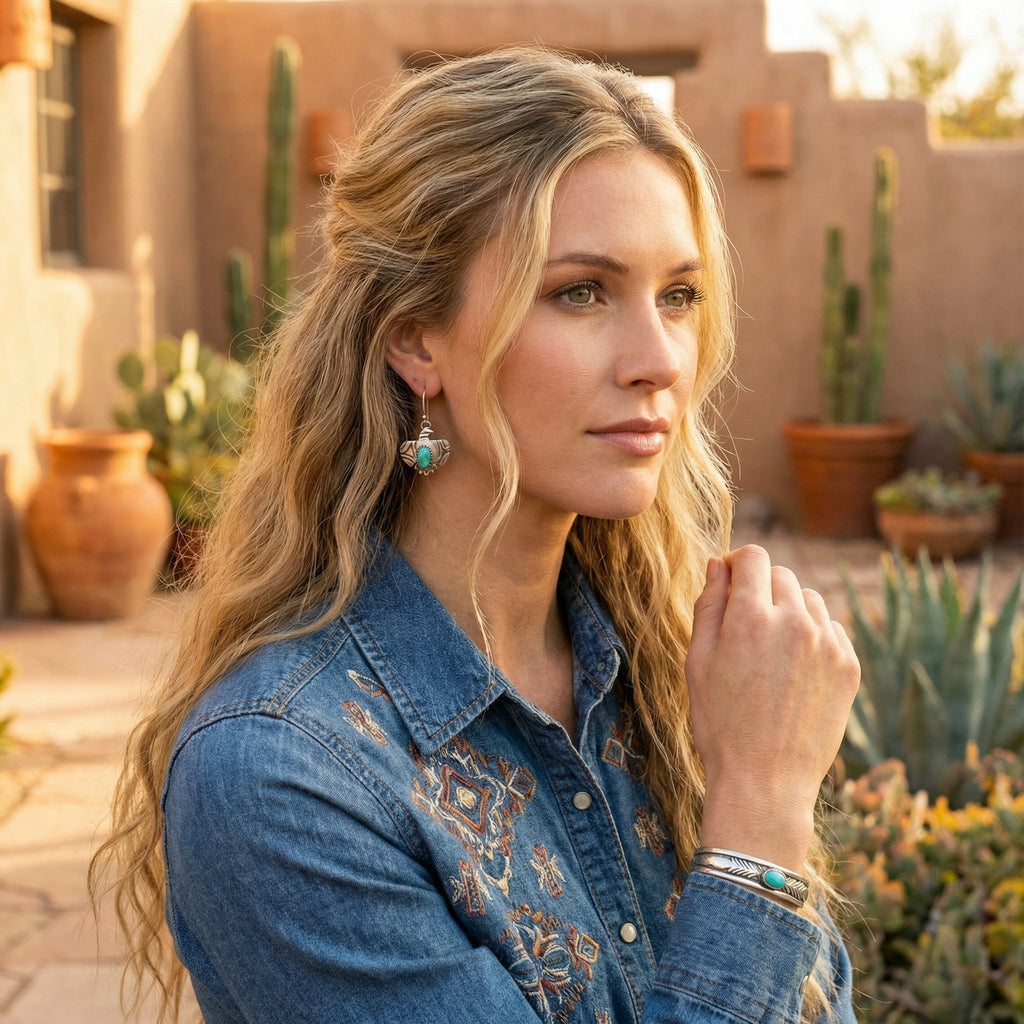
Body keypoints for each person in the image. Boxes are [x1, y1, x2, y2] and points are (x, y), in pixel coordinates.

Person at [94, 45, 861, 1024]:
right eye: (580, 291)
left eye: (677, 294)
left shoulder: (678, 663)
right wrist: (758, 815)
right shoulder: (283, 774)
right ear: (416, 338)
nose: (659, 357)